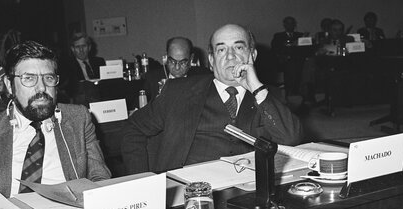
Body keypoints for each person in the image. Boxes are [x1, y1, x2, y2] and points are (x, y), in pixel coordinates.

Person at [0, 41, 111, 202]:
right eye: (29, 78)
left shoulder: (78, 119)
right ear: (8, 84)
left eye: (48, 78)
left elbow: (100, 180)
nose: (42, 88)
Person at [121, 23, 303, 175]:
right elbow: (133, 129)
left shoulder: (266, 97)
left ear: (252, 55)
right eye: (221, 49)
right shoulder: (178, 92)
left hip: (249, 191)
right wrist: (142, 181)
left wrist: (256, 89)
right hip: (189, 192)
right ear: (211, 59)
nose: (231, 56)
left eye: (238, 47)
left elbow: (291, 140)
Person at [143, 37, 210, 101]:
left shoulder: (203, 78)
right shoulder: (152, 79)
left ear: (191, 59)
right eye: (172, 61)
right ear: (166, 57)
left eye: (183, 62)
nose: (177, 67)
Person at [270, 16, 306, 98]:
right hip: (284, 61)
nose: (290, 25)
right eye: (288, 23)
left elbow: (305, 49)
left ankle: (296, 94)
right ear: (284, 25)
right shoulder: (278, 36)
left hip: (298, 61)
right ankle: (289, 94)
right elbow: (275, 49)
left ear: (295, 25)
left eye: (292, 23)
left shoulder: (300, 35)